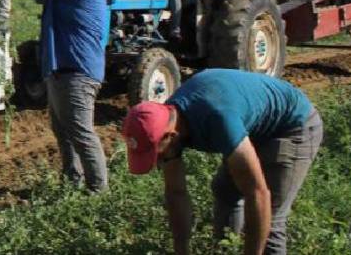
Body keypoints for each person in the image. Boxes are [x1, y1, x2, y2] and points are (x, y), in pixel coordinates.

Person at [123, 69, 323, 255]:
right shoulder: (165, 121)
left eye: (155, 154)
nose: (157, 161)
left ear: (170, 136)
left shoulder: (219, 119)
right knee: (225, 190)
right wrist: (181, 250)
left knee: (270, 218)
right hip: (249, 124)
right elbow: (176, 192)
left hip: (293, 125)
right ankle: (225, 249)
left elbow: (257, 193)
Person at [10, 0, 112, 192]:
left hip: (78, 71)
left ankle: (99, 191)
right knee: (63, 130)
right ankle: (72, 182)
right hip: (63, 69)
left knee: (81, 132)